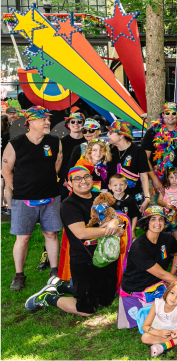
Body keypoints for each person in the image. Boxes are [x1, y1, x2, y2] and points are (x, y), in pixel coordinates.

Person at [23, 164, 124, 316]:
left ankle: (63, 286)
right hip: (86, 261)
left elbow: (119, 226)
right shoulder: (69, 204)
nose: (82, 181)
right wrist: (110, 230)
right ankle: (49, 297)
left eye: (86, 177)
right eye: (77, 178)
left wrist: (116, 223)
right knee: (87, 310)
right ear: (69, 183)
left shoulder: (99, 197)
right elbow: (81, 233)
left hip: (105, 257)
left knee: (106, 300)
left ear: (91, 179)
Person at [2, 107, 63, 290]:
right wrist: (18, 188)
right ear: (30, 122)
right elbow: (5, 170)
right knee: (23, 238)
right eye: (43, 120)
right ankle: (19, 275)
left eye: (48, 120)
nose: (48, 122)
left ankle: (54, 271)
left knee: (51, 234)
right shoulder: (16, 143)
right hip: (23, 200)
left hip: (50, 197)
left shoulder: (54, 142)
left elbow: (57, 163)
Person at [117, 206, 177, 329]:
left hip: (158, 283)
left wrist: (172, 274)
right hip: (137, 289)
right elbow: (162, 274)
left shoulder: (168, 238)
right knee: (158, 321)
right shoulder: (139, 247)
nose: (158, 223)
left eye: (161, 219)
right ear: (147, 223)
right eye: (153, 219)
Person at [142, 103, 177, 196]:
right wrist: (155, 180)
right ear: (162, 115)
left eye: (173, 113)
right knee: (161, 210)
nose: (170, 116)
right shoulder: (152, 132)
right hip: (161, 184)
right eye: (167, 113)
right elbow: (144, 159)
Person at [141, 278, 177, 357]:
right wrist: (159, 333)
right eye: (172, 293)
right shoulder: (157, 304)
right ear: (167, 291)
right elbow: (145, 326)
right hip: (161, 331)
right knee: (145, 338)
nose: (174, 298)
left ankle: (162, 346)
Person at [107, 120, 151, 210]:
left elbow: (144, 175)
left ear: (121, 135)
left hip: (133, 199)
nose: (108, 134)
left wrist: (147, 197)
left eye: (111, 132)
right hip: (112, 198)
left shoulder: (138, 151)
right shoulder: (108, 150)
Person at [58, 112, 86, 199]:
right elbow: (57, 162)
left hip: (84, 181)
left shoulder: (88, 141)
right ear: (69, 125)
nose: (76, 124)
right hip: (65, 182)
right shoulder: (61, 142)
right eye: (73, 122)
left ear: (84, 124)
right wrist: (63, 180)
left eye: (79, 121)